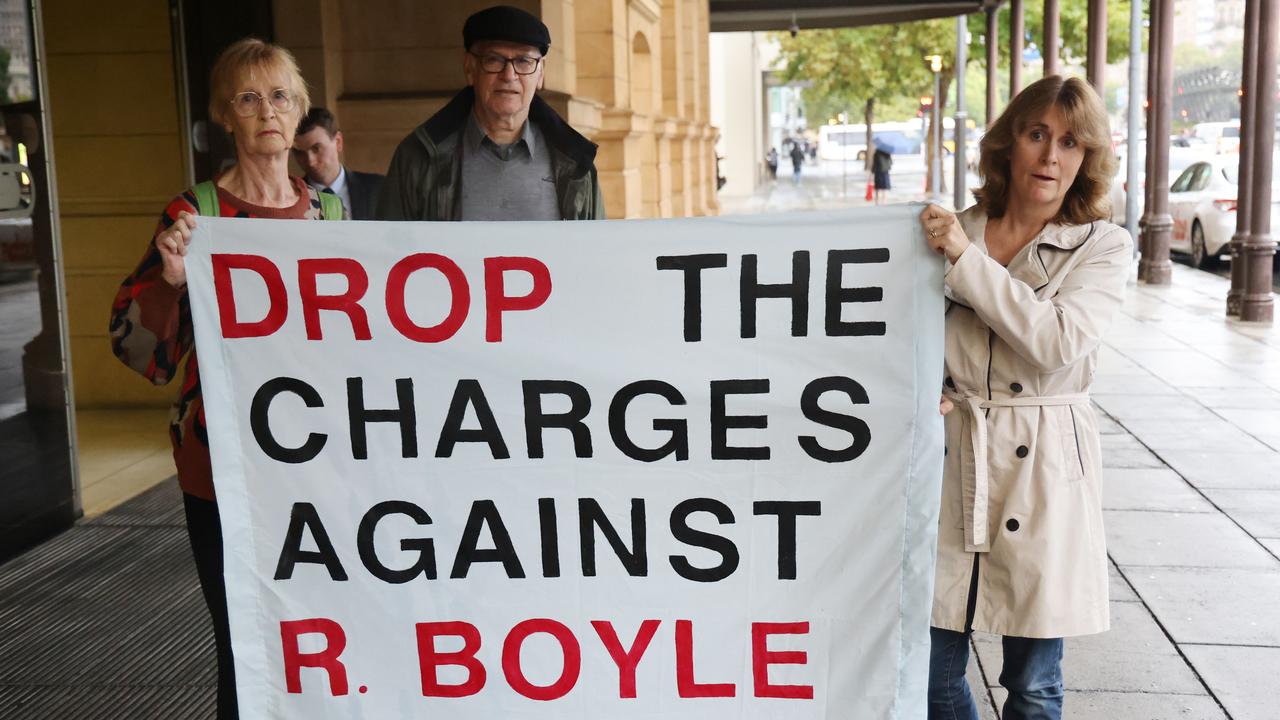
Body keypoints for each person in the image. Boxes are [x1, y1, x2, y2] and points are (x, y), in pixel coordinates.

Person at [108, 38, 345, 719]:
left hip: (320, 467)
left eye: (278, 96)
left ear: (299, 111)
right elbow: (141, 357)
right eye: (248, 97)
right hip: (226, 470)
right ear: (224, 116)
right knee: (247, 641)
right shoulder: (195, 217)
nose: (266, 111)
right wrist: (169, 282)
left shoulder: (331, 217)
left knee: (324, 631)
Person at [919, 75, 1130, 720]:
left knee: (1035, 687)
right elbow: (900, 336)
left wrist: (964, 260)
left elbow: (1056, 340)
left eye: (1071, 142)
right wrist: (920, 388)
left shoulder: (1102, 246)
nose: (1051, 156)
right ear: (1008, 143)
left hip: (1044, 469)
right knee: (929, 671)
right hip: (955, 458)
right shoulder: (949, 233)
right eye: (1038, 134)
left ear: (1086, 159)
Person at [377, 5, 603, 220]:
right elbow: (388, 251)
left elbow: (597, 254)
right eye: (494, 59)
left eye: (524, 61)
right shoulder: (419, 158)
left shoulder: (576, 165)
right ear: (469, 67)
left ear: (541, 72)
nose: (509, 75)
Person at [292, 106, 385, 219]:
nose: (310, 161)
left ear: (338, 142)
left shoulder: (379, 189)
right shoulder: (292, 196)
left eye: (316, 148)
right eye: (299, 152)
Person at [871, 140, 892, 205]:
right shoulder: (887, 152)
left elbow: (875, 163)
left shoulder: (877, 152)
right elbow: (890, 162)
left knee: (877, 187)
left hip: (878, 171)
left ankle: (876, 202)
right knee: (884, 187)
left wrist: (872, 171)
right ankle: (884, 202)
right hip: (885, 171)